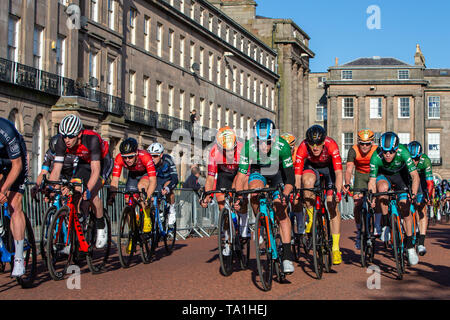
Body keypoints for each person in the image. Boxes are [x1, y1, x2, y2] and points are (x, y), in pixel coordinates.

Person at [234, 118, 296, 274]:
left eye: (267, 142)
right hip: (258, 172)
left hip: (278, 173)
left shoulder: (283, 146)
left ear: (273, 138)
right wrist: (239, 198)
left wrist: (285, 195)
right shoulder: (248, 147)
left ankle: (287, 257)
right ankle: (261, 220)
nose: (263, 146)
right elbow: (241, 177)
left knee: (280, 209)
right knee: (253, 190)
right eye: (259, 142)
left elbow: (290, 179)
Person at [49, 114, 113, 249]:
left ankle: (101, 226)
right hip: (84, 162)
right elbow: (56, 169)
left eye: (70, 136)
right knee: (75, 190)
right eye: (64, 136)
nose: (67, 139)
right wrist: (51, 188)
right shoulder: (61, 142)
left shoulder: (92, 139)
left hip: (102, 161)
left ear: (79, 134)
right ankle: (81, 220)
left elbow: (95, 171)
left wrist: (88, 189)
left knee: (92, 193)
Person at [294, 125, 344, 265]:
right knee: (307, 182)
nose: (315, 147)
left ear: (323, 142)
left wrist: (338, 193)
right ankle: (310, 217)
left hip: (329, 170)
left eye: (318, 144)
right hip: (311, 168)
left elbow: (339, 173)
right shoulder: (303, 146)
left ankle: (335, 248)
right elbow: (297, 176)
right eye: (311, 144)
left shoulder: (331, 145)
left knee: (331, 203)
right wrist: (297, 193)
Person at [368, 132, 420, 265]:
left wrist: (413, 193)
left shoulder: (404, 152)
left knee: (405, 208)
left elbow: (415, 176)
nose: (387, 155)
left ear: (396, 149)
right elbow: (372, 181)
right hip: (383, 175)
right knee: (382, 190)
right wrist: (371, 196)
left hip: (401, 176)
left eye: (391, 152)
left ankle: (409, 248)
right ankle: (385, 223)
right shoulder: (376, 156)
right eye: (385, 151)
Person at [200, 127, 248, 247]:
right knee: (222, 204)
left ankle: (244, 225)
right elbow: (210, 178)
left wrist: (241, 196)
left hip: (239, 173)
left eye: (232, 149)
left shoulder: (243, 149)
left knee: (241, 198)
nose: (230, 153)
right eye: (227, 150)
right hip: (224, 175)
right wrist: (207, 195)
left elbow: (245, 177)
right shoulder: (214, 152)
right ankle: (227, 239)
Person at [108, 138, 157, 234]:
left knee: (141, 187)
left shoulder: (145, 156)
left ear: (136, 153)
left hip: (145, 174)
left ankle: (146, 215)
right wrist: (112, 196)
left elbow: (153, 181)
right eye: (125, 157)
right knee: (128, 201)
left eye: (130, 157)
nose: (127, 160)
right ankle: (133, 233)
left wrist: (148, 196)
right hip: (133, 175)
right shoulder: (119, 158)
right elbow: (115, 180)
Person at [0, 117, 29, 277]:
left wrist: (4, 190)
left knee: (13, 204)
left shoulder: (5, 130)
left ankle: (18, 258)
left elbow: (17, 165)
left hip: (16, 162)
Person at [343, 129, 379, 250]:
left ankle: (378, 224)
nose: (364, 146)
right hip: (360, 175)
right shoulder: (353, 150)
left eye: (367, 143)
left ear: (372, 143)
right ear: (358, 143)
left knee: (377, 201)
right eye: (362, 143)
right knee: (357, 204)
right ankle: (359, 231)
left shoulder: (376, 150)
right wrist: (347, 183)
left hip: (374, 175)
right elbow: (348, 169)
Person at [31, 134, 79, 200]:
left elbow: (76, 174)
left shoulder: (73, 156)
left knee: (77, 192)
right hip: (59, 176)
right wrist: (36, 186)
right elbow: (43, 172)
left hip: (71, 175)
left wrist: (70, 186)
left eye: (57, 154)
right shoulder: (49, 154)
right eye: (53, 154)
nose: (55, 157)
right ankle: (56, 207)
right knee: (50, 191)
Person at [407, 141, 433, 256]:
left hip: (421, 180)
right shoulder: (405, 160)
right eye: (411, 159)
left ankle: (421, 242)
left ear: (420, 156)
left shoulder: (425, 161)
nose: (414, 162)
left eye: (416, 159)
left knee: (421, 208)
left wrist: (429, 195)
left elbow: (429, 182)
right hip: (408, 179)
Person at [147, 142, 179, 225]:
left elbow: (175, 179)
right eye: (151, 156)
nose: (152, 158)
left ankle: (172, 210)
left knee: (168, 189)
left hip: (167, 180)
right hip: (157, 181)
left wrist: (168, 188)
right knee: (153, 198)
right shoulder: (149, 162)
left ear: (161, 155)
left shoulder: (168, 160)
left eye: (155, 156)